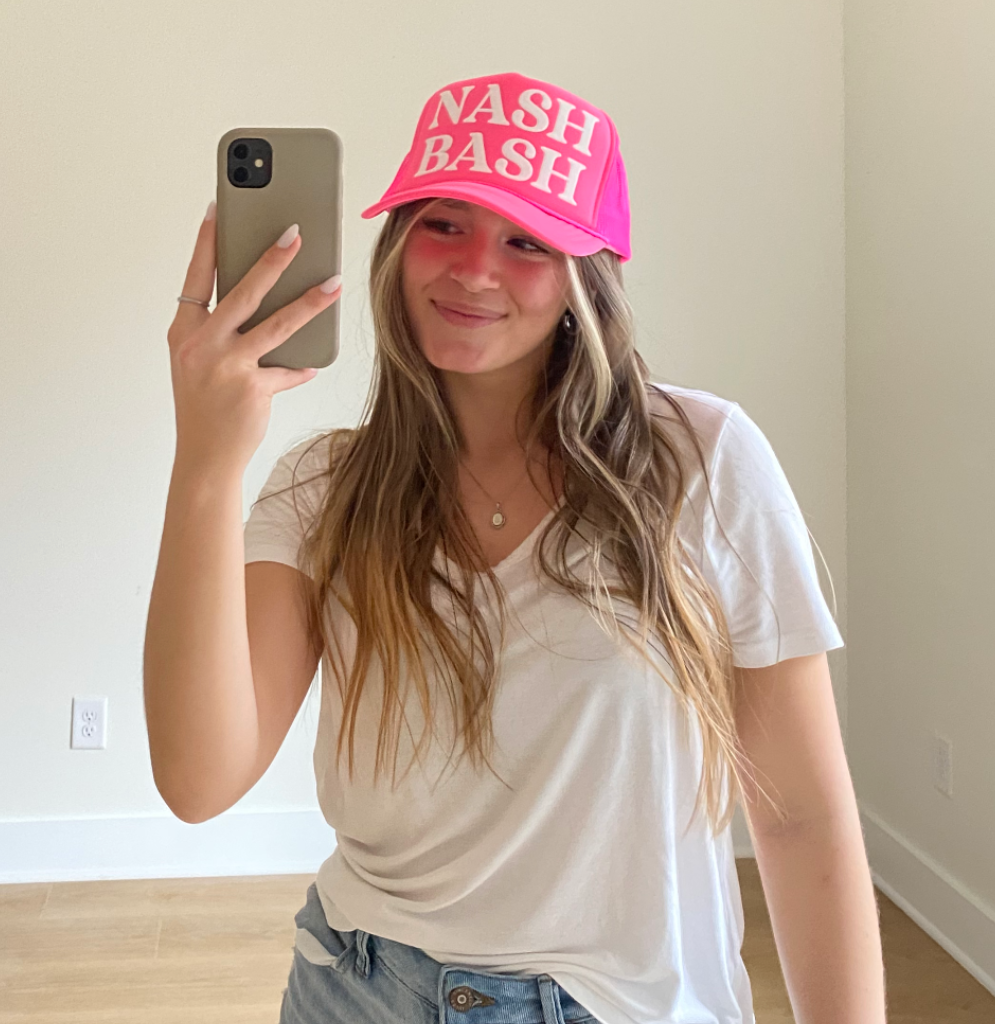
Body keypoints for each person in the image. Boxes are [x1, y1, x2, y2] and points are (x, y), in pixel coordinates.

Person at [147, 72, 883, 1024]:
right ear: (396, 239)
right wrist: (207, 462)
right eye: (444, 222)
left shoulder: (700, 463)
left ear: (587, 276)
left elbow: (801, 818)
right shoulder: (323, 487)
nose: (474, 270)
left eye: (527, 241)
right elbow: (199, 780)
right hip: (355, 986)